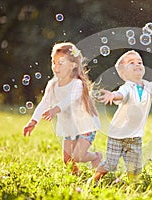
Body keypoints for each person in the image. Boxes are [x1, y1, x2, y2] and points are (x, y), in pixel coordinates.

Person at [91, 50, 152, 182]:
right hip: (118, 134)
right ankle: (94, 180)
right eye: (131, 63)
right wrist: (113, 95)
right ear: (123, 73)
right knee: (111, 163)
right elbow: (121, 95)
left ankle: (132, 186)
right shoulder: (126, 87)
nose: (137, 64)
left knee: (135, 168)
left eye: (139, 62)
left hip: (135, 135)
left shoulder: (149, 86)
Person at [23, 42, 102, 175]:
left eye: (61, 62)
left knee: (78, 156)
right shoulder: (52, 84)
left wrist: (55, 109)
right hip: (69, 127)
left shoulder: (78, 84)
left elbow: (70, 99)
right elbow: (44, 102)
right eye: (54, 62)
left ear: (73, 65)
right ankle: (77, 178)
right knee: (67, 160)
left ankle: (96, 156)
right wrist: (34, 120)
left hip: (85, 126)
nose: (55, 66)